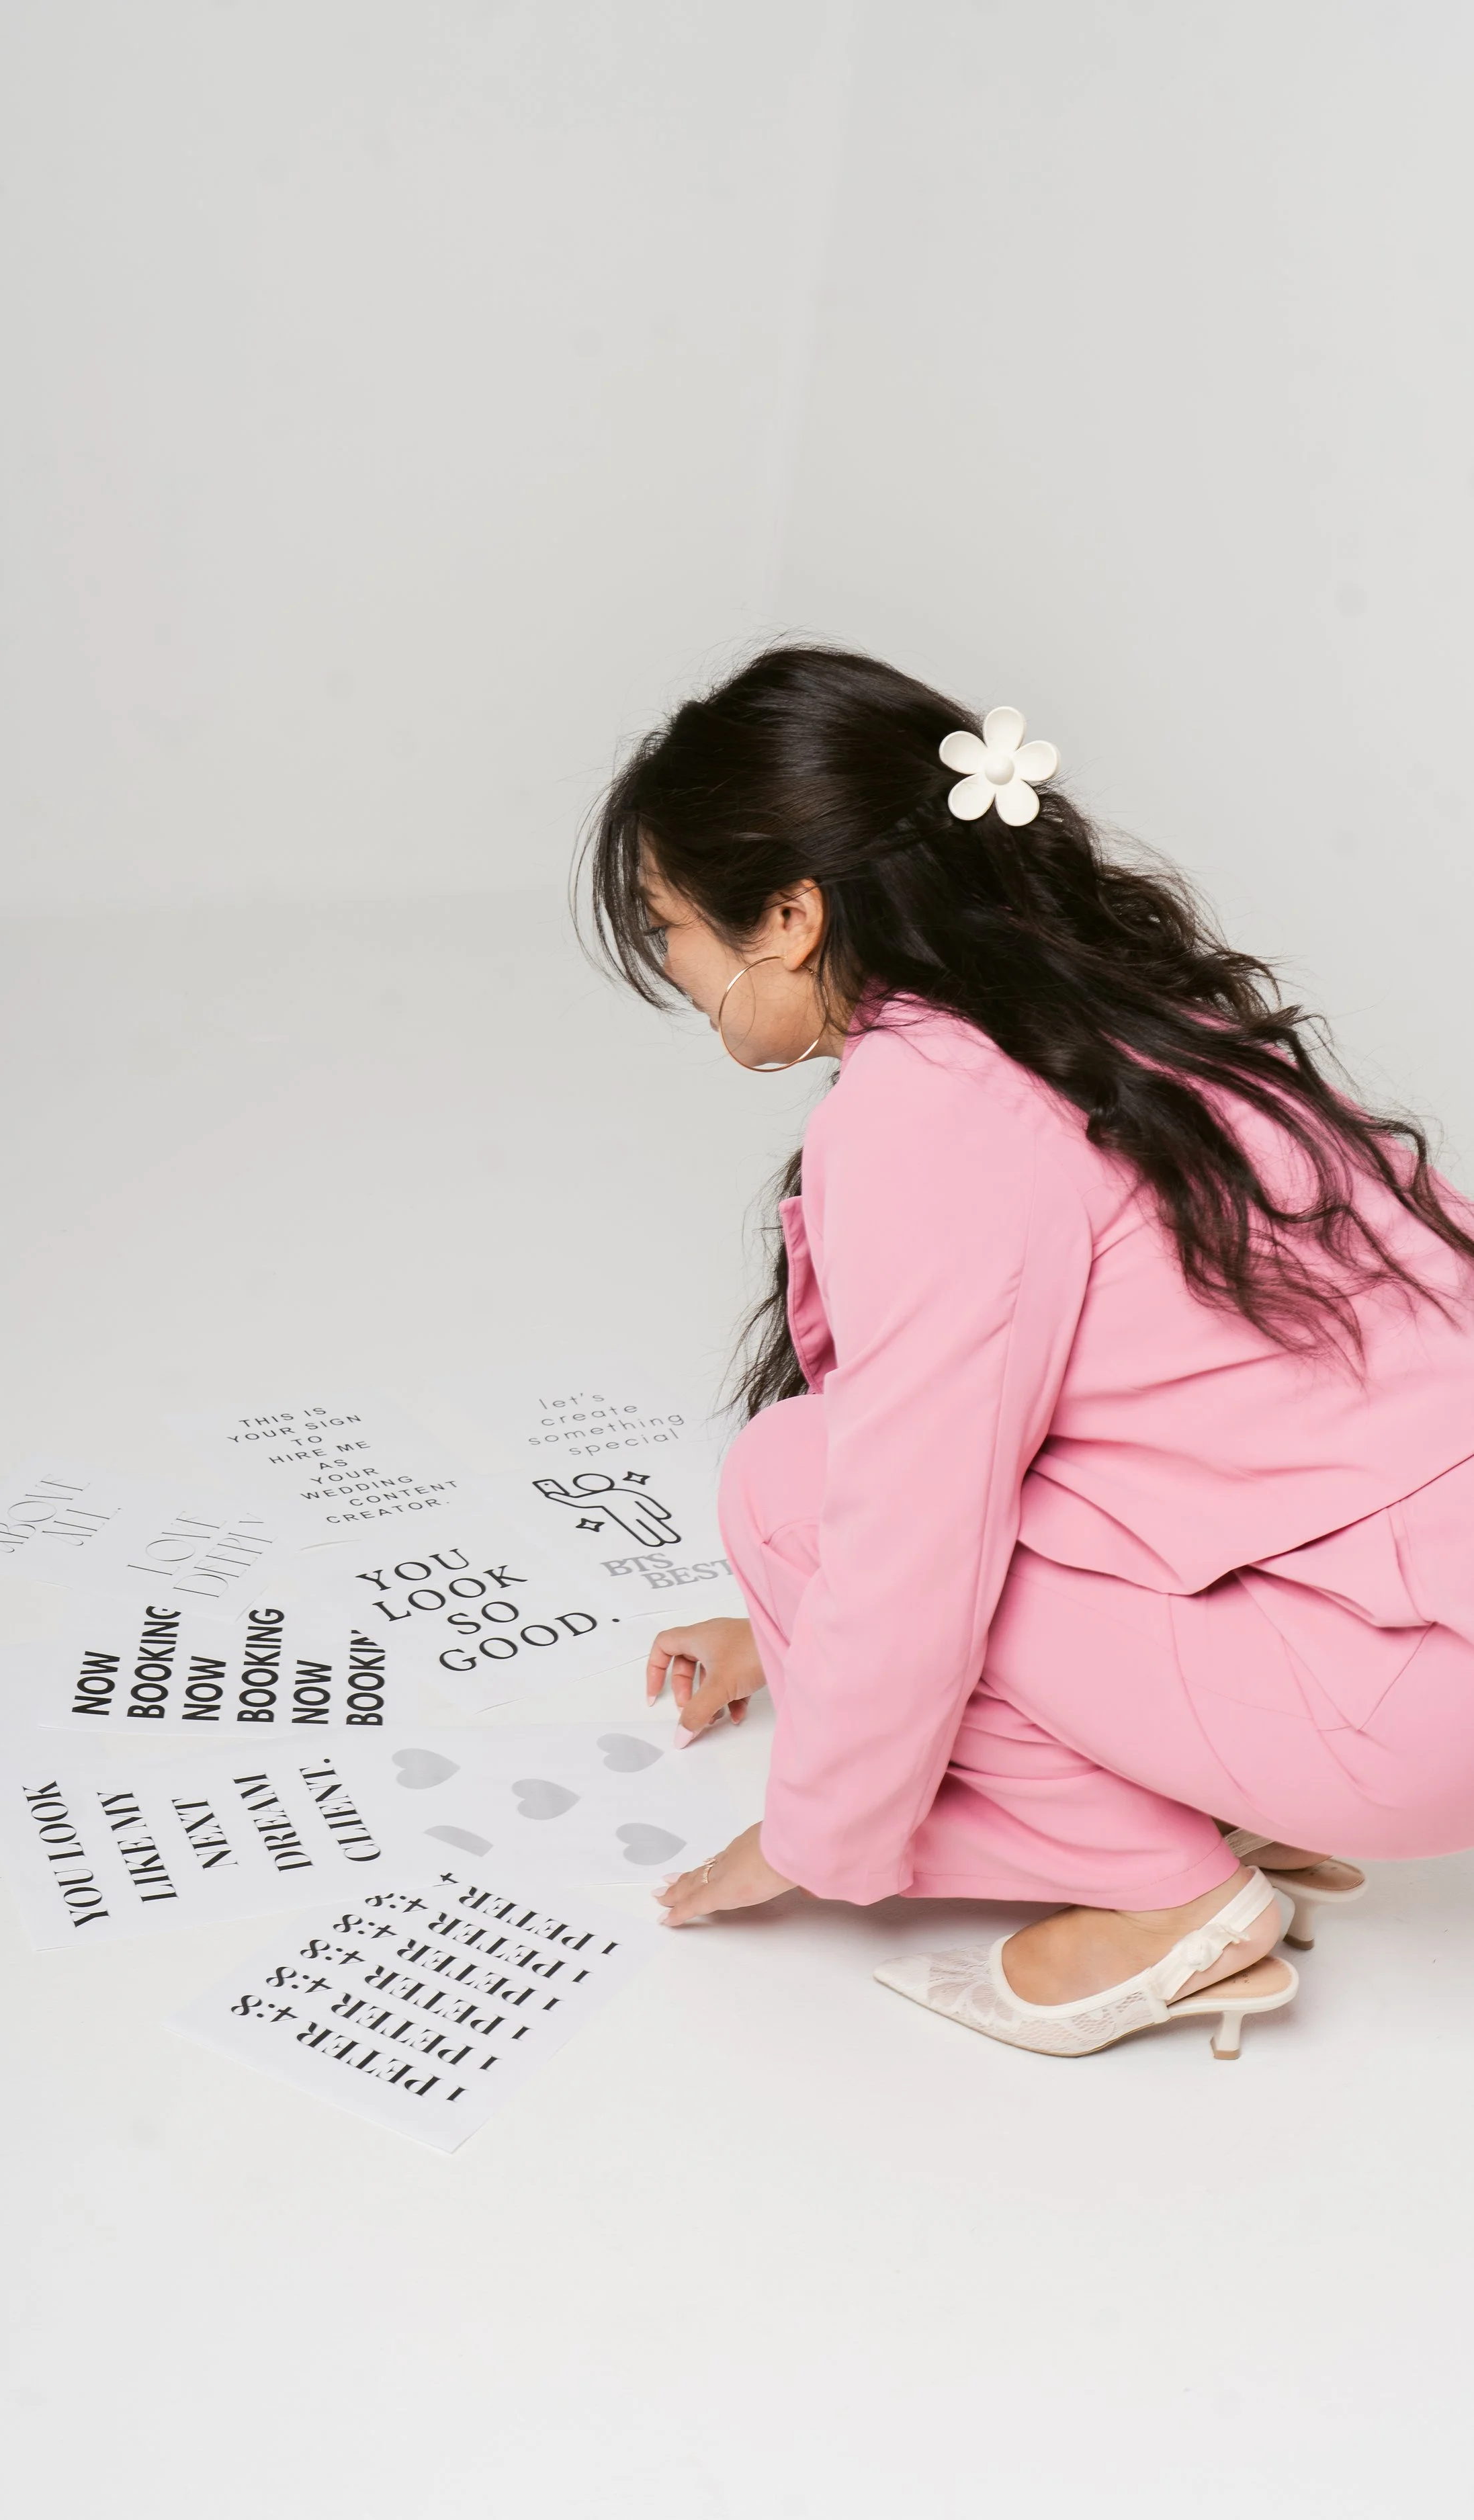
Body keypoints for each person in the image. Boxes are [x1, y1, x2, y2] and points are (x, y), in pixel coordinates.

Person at [580, 646, 1474, 2059]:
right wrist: (779, 1633)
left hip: (1408, 1704)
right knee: (863, 1509)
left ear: (791, 916)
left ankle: (1162, 1899)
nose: (674, 974)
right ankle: (1218, 1786)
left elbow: (911, 1536)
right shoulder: (1111, 1013)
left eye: (669, 924)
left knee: (789, 1484)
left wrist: (813, 1834)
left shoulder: (924, 1107)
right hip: (1425, 1624)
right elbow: (1142, 1422)